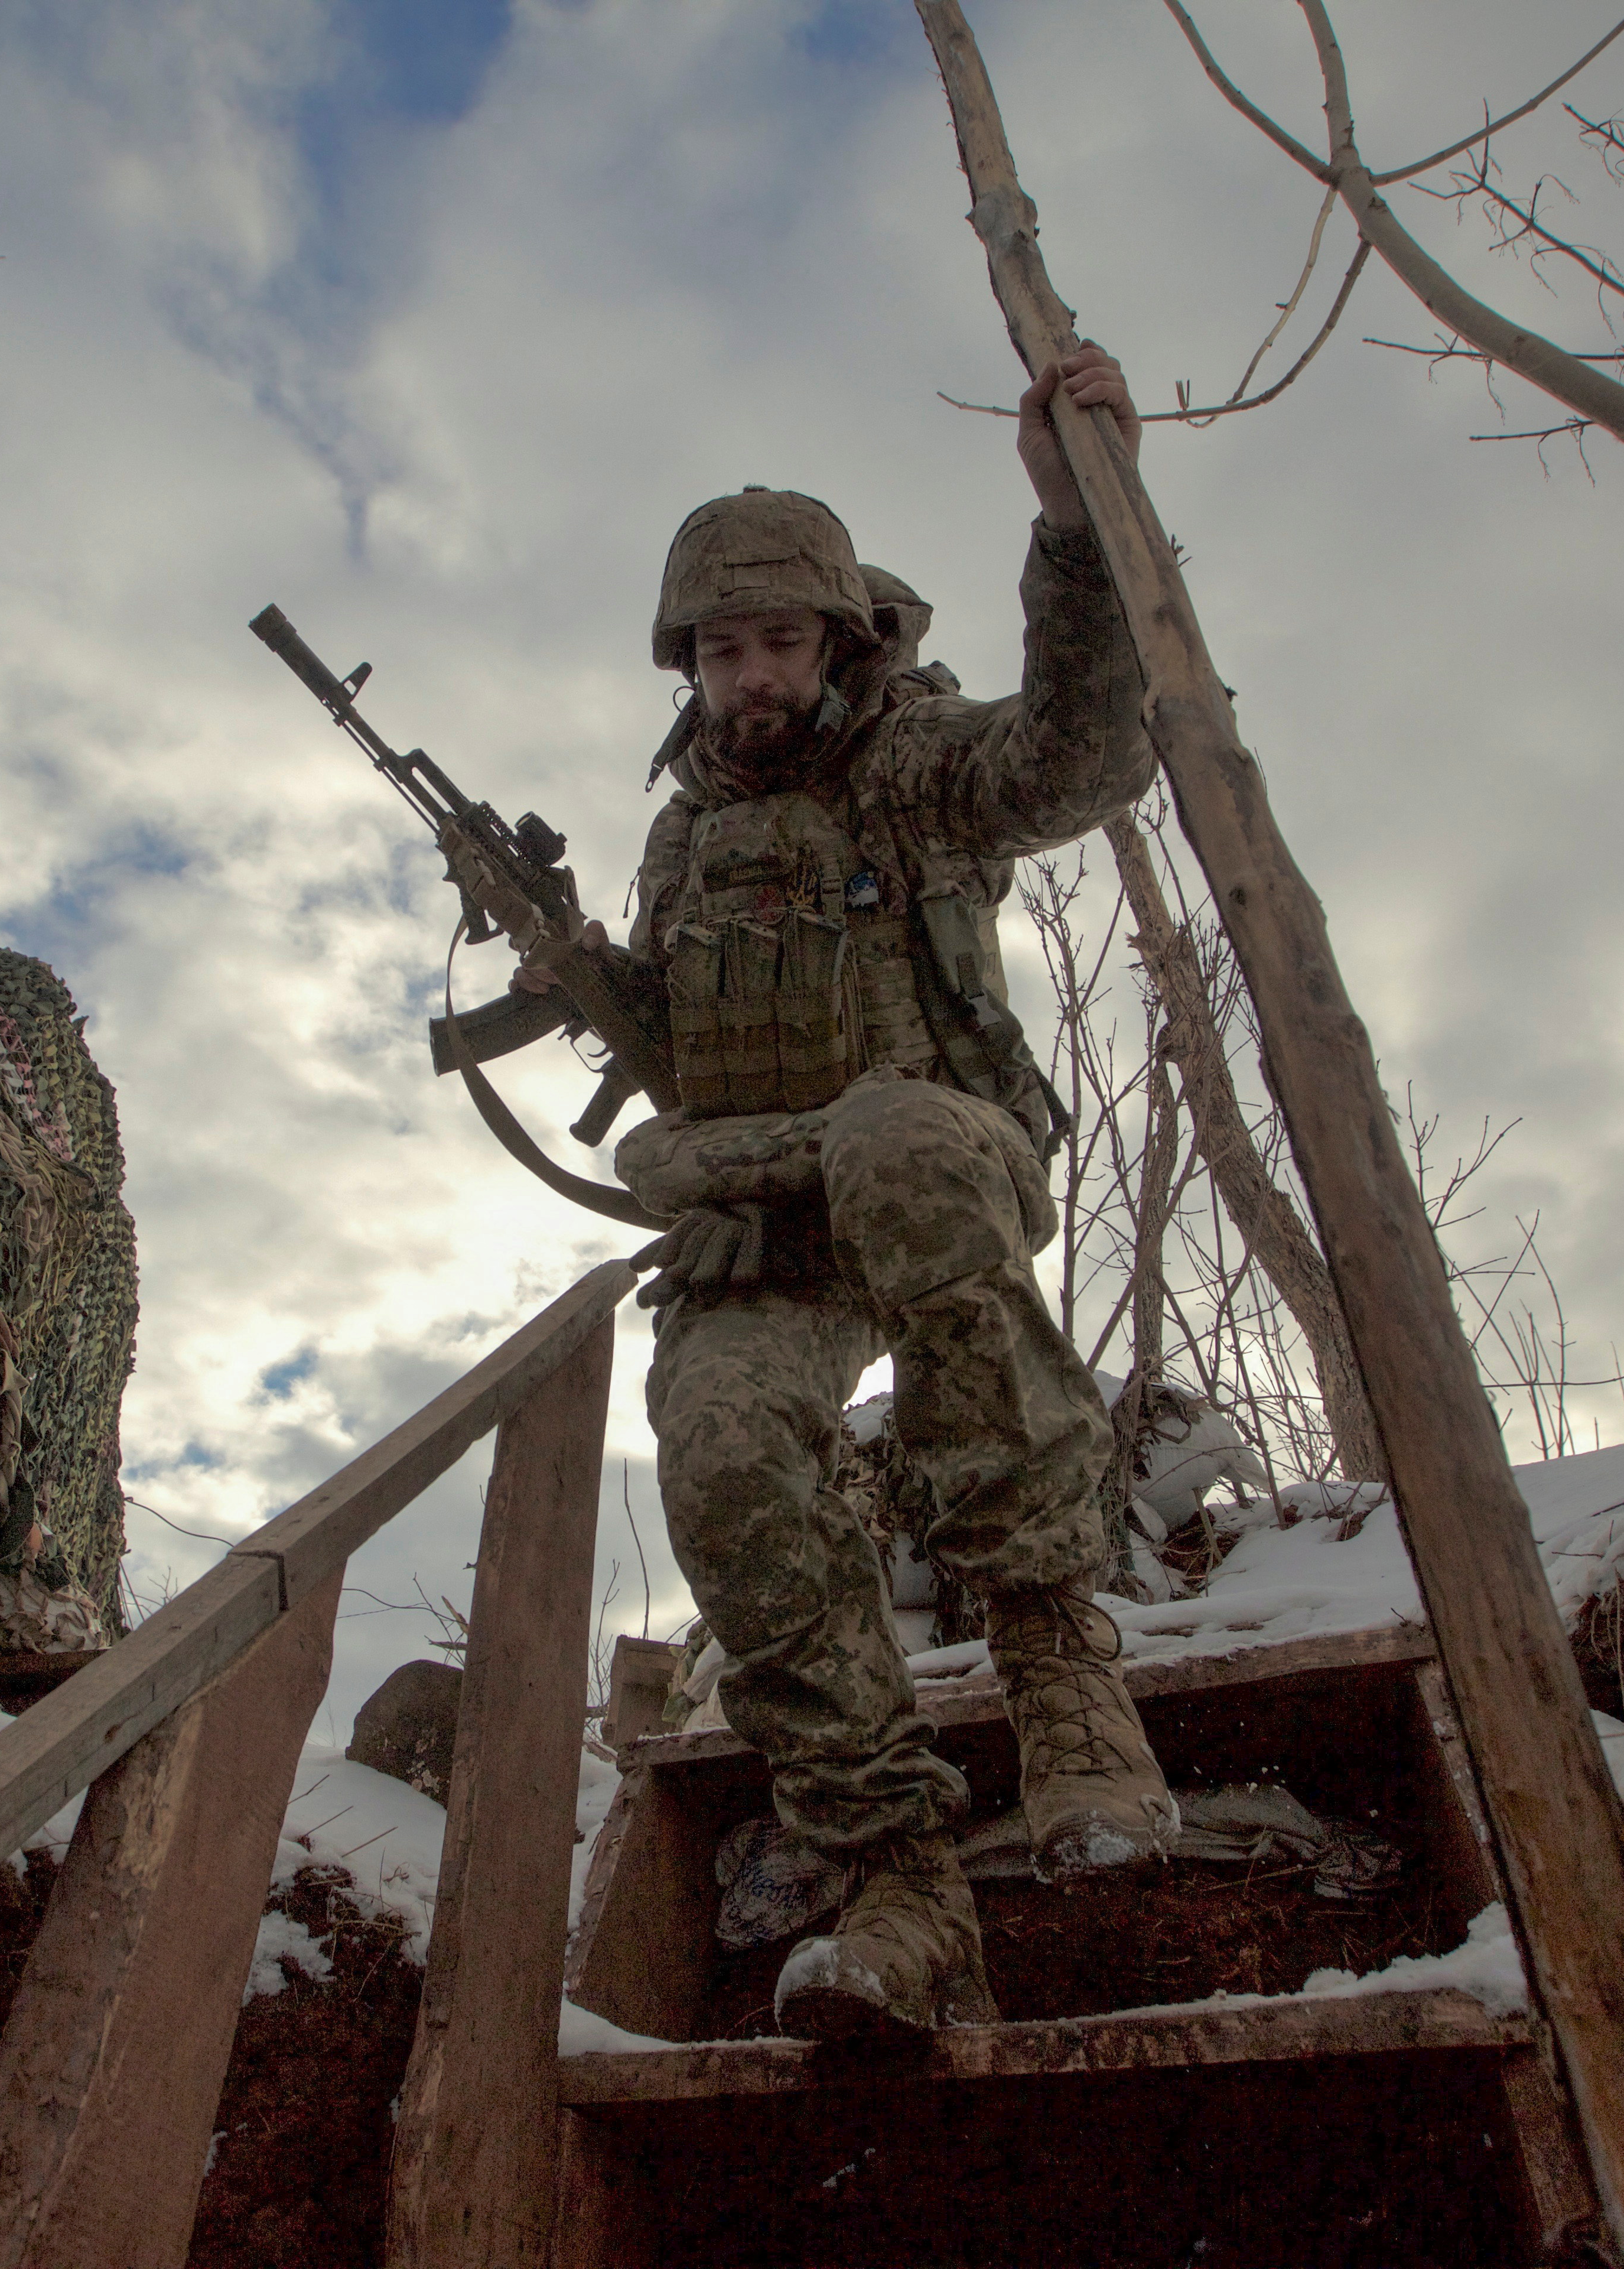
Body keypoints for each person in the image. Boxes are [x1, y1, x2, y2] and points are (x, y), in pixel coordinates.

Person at [593, 344, 1177, 2040]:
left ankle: (1060, 1669)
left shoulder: (911, 764)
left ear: (841, 638)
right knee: (715, 1440)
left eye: (780, 639)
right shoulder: (685, 841)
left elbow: (1077, 759)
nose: (751, 674)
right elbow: (684, 1082)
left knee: (898, 1139)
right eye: (721, 649)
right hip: (770, 1231)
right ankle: (897, 1885)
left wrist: (1076, 531)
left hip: (938, 1179)